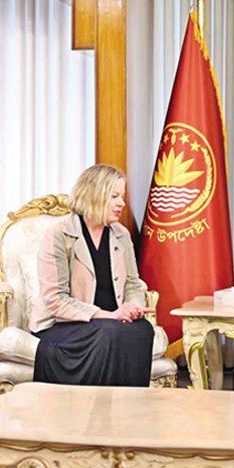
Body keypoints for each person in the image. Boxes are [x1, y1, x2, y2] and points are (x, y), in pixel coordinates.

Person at [29, 164, 155, 386]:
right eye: (114, 196)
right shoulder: (59, 234)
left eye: (122, 196)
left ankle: (132, 408)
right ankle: (97, 410)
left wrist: (132, 308)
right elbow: (55, 299)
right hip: (63, 324)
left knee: (142, 330)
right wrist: (110, 315)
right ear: (94, 194)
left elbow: (133, 285)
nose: (122, 204)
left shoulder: (121, 234)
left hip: (111, 322)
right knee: (110, 332)